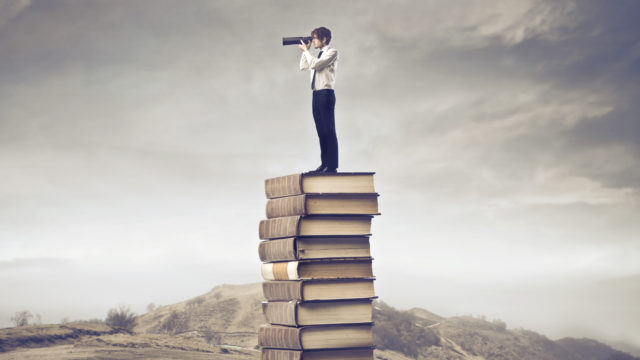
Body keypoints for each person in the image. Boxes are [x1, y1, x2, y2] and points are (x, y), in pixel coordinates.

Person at [299, 27, 339, 173]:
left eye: (315, 38)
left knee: (328, 129)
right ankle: (324, 163)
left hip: (326, 93)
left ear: (324, 39)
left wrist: (306, 52)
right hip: (316, 94)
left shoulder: (332, 52)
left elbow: (316, 64)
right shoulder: (316, 56)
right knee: (320, 130)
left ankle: (332, 165)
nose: (313, 40)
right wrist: (306, 52)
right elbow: (303, 66)